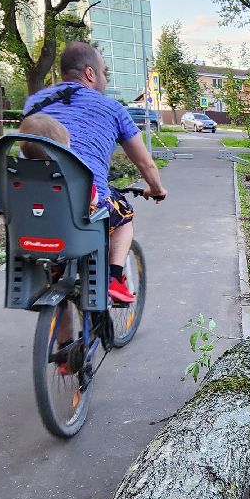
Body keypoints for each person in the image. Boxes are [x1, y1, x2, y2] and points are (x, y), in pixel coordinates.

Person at [20, 41, 167, 305]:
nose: (105, 78)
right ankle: (113, 277)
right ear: (90, 73)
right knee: (124, 216)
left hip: (29, 212)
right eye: (104, 72)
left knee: (57, 277)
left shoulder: (35, 103)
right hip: (83, 210)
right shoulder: (112, 109)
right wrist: (156, 189)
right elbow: (146, 164)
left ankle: (64, 343)